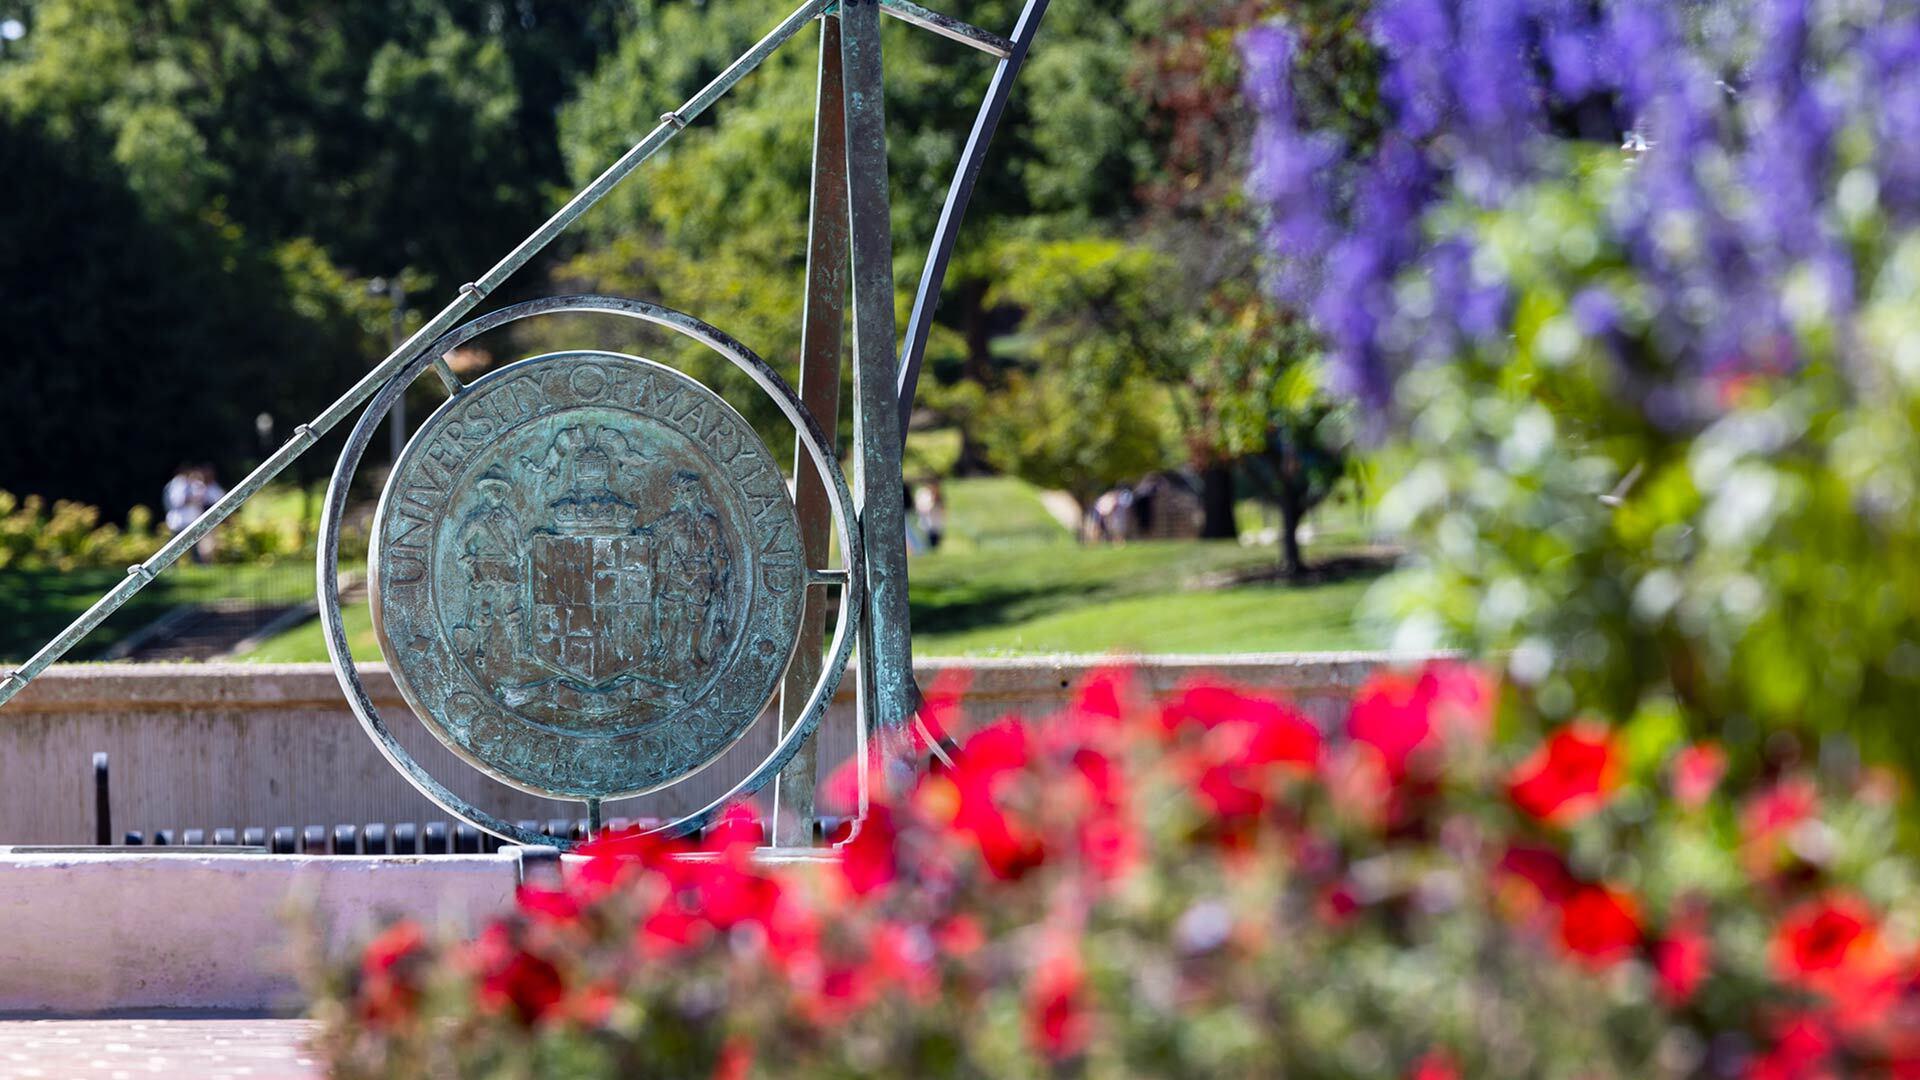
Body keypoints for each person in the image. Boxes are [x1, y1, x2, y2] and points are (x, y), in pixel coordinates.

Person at [914, 480, 946, 551]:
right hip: (926, 521)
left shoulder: (937, 493)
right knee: (927, 539)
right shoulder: (922, 493)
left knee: (935, 540)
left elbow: (942, 508)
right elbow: (921, 507)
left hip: (936, 521)